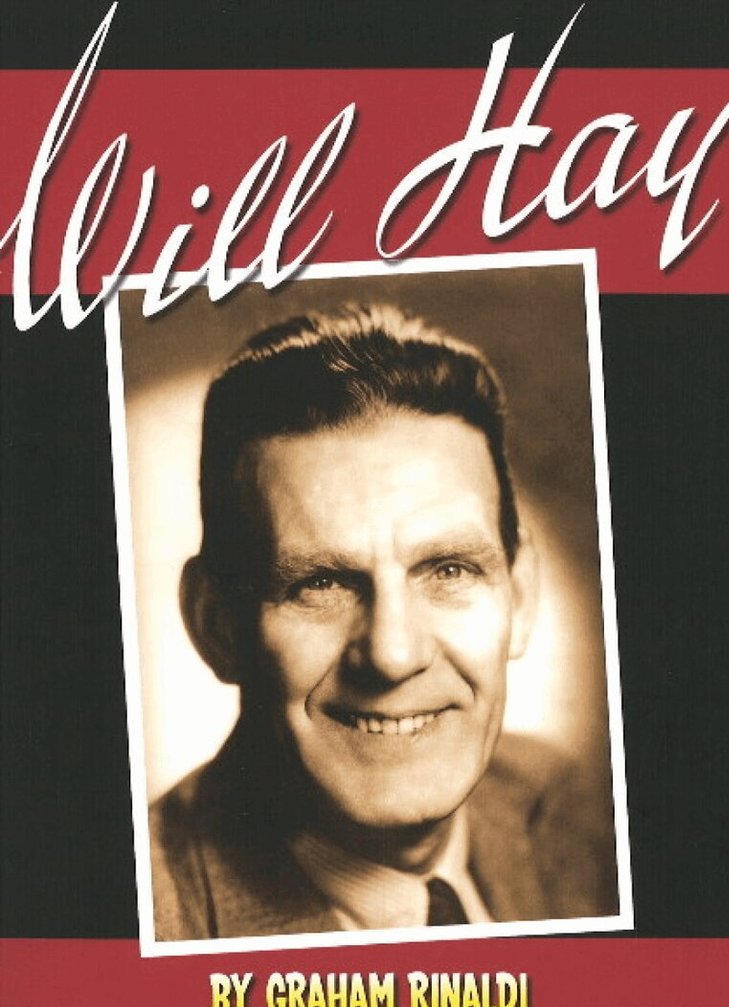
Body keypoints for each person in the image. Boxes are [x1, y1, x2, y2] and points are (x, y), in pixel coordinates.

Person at [150, 303, 616, 939]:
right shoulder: (144, 923)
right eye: (320, 584)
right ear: (216, 625)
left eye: (448, 570)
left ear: (521, 593)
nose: (393, 655)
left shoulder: (572, 815)